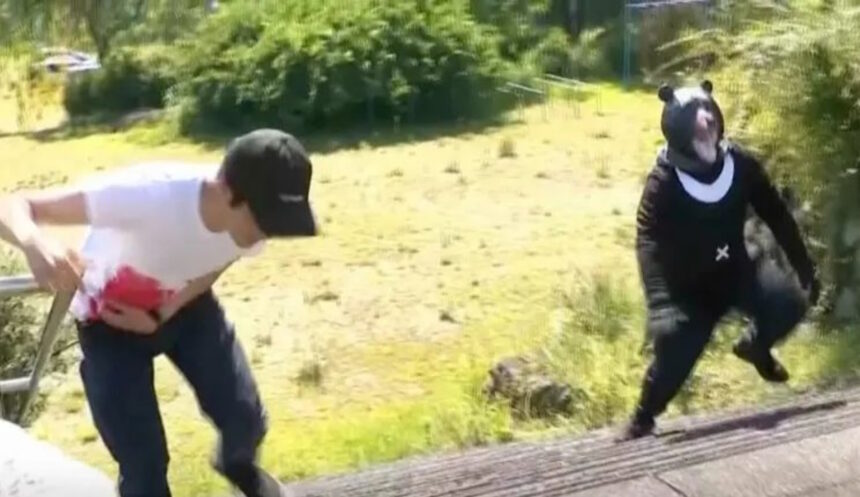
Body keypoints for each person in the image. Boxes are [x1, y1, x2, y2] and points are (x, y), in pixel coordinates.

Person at [0, 129, 317, 497]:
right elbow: (15, 204)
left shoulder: (255, 222)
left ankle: (241, 471)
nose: (269, 234)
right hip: (108, 325)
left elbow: (217, 262)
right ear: (227, 191)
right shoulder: (147, 195)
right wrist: (35, 243)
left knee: (245, 420)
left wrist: (163, 313)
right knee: (144, 466)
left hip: (186, 305)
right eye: (265, 219)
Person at [619, 81, 820, 441]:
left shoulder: (739, 164)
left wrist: (804, 266)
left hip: (738, 269)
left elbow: (776, 214)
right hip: (689, 290)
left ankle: (756, 347)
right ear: (675, 128)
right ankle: (642, 418)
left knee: (789, 301)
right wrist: (660, 304)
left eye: (709, 113)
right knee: (676, 351)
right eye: (696, 118)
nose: (706, 121)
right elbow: (648, 243)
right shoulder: (663, 183)